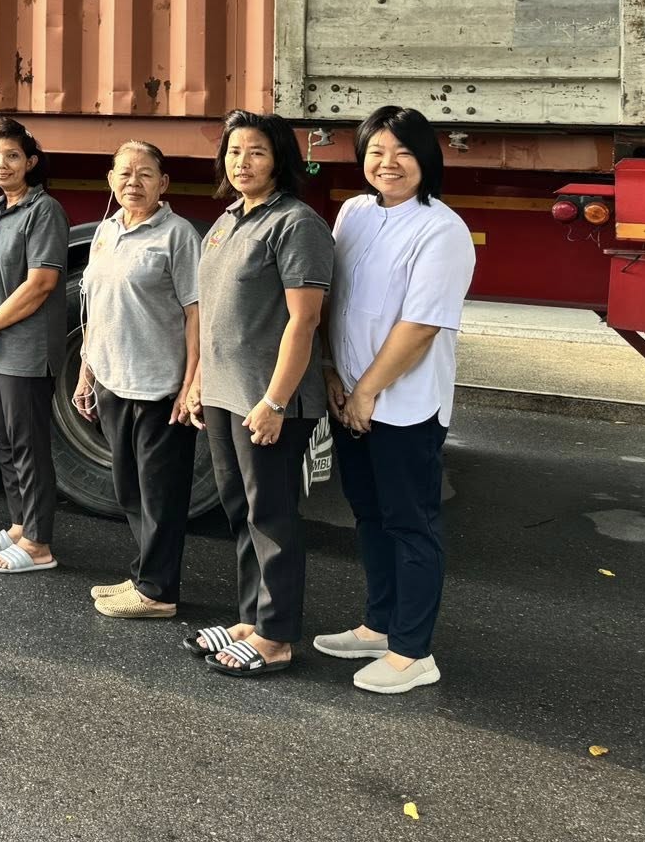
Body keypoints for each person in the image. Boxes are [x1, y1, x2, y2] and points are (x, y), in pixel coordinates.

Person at [315, 107, 475, 694]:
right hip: (350, 396)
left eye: (403, 152)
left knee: (411, 523)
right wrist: (332, 370)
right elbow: (334, 298)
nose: (389, 164)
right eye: (377, 152)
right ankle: (378, 625)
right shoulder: (354, 213)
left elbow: (421, 324)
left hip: (404, 405)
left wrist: (367, 390)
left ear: (426, 159)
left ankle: (413, 651)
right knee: (369, 514)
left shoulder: (442, 230)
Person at [182, 110, 334, 678]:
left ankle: (276, 636)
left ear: (279, 161)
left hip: (268, 401)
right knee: (240, 510)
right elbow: (215, 314)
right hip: (225, 394)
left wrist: (274, 402)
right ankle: (250, 619)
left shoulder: (295, 224)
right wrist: (199, 381)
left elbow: (305, 320)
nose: (242, 163)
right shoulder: (227, 220)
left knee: (271, 516)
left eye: (257, 152)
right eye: (234, 151)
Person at [74, 141, 202, 617]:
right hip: (112, 381)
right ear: (110, 180)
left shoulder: (178, 235)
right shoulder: (107, 230)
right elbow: (95, 308)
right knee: (129, 489)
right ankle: (145, 574)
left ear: (163, 183)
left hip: (159, 387)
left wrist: (190, 384)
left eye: (145, 174)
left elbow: (196, 314)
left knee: (160, 496)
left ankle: (159, 592)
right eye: (124, 173)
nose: (134, 182)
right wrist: (86, 373)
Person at [0, 118, 68, 574]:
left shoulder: (44, 211)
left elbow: (41, 283)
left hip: (23, 349)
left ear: (31, 162)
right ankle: (21, 525)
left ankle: (40, 544)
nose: (1, 163)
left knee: (29, 445)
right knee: (3, 441)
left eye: (11, 155)